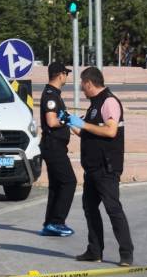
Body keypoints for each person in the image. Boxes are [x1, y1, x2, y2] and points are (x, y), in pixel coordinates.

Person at [62, 67, 134, 266]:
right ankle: (94, 251)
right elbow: (88, 132)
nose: (81, 89)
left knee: (113, 209)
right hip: (92, 168)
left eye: (82, 85)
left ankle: (126, 253)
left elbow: (110, 132)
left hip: (106, 167)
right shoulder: (94, 105)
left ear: (89, 83)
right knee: (89, 207)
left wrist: (83, 125)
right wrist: (69, 122)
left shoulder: (109, 101)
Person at [38, 62, 76, 237]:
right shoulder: (51, 96)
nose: (67, 77)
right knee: (69, 182)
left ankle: (49, 223)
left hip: (54, 145)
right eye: (66, 74)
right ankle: (57, 222)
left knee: (56, 185)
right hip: (53, 146)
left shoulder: (53, 94)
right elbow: (52, 122)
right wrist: (65, 121)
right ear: (60, 74)